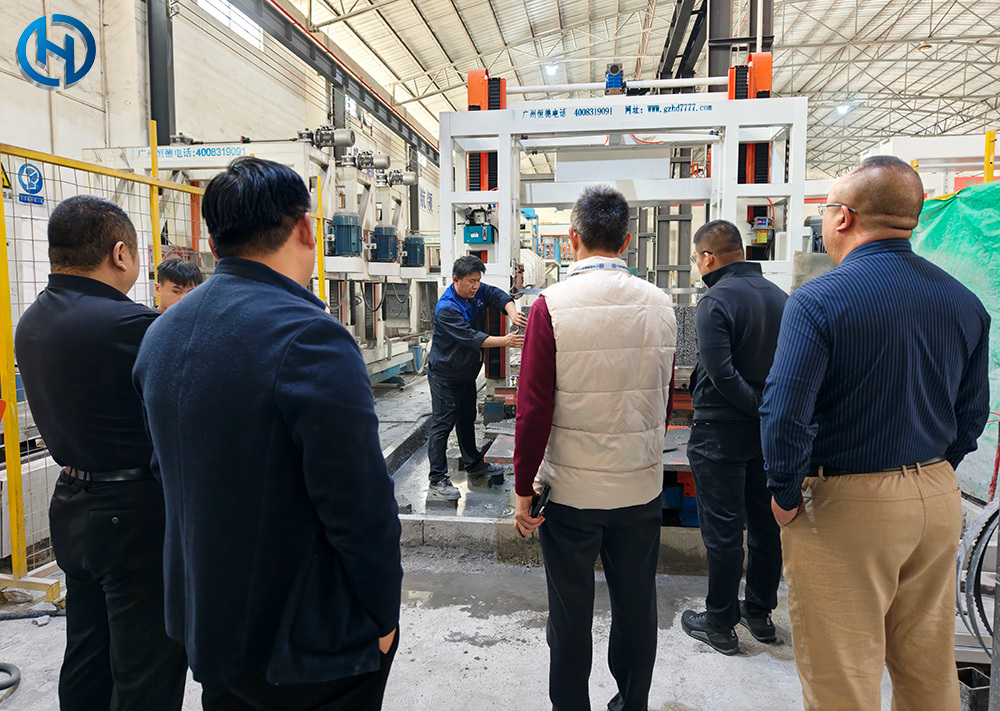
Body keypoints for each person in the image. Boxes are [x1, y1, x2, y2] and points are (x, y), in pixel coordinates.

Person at [133, 157, 402, 711]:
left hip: (207, 623)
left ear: (212, 240)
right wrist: (382, 612)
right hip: (303, 642)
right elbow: (358, 504)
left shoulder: (161, 335)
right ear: (305, 227)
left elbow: (166, 472)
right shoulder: (308, 337)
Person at [761, 155, 990, 711]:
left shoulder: (818, 301)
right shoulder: (963, 303)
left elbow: (785, 412)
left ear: (843, 218)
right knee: (926, 663)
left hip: (848, 507)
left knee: (843, 674)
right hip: (937, 501)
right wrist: (933, 474)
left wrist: (785, 494)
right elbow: (972, 415)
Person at [14, 195, 187, 711]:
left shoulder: (31, 322)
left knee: (87, 653)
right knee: (146, 665)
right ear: (119, 254)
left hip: (72, 508)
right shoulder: (130, 326)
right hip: (132, 513)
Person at [513, 186, 677, 711]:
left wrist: (522, 492)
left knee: (569, 613)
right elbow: (663, 399)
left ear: (572, 238)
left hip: (572, 495)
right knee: (636, 607)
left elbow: (532, 408)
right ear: (628, 240)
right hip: (640, 488)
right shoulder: (661, 304)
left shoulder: (551, 306)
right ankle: (631, 703)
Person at [680, 220, 787, 655]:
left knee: (724, 532)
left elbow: (721, 374)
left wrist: (754, 409)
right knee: (766, 527)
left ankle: (720, 623)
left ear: (707, 258)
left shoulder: (715, 301)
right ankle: (759, 614)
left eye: (696, 259)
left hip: (720, 433)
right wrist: (769, 414)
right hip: (769, 434)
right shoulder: (783, 299)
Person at [425, 254, 526, 501]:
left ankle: (473, 464)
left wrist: (512, 312)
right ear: (455, 280)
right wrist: (507, 341)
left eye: (478, 280)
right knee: (442, 424)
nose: (475, 286)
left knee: (467, 419)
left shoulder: (476, 292)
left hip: (466, 373)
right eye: (470, 281)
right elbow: (472, 337)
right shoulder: (447, 308)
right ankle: (437, 479)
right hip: (445, 376)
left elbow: (498, 295)